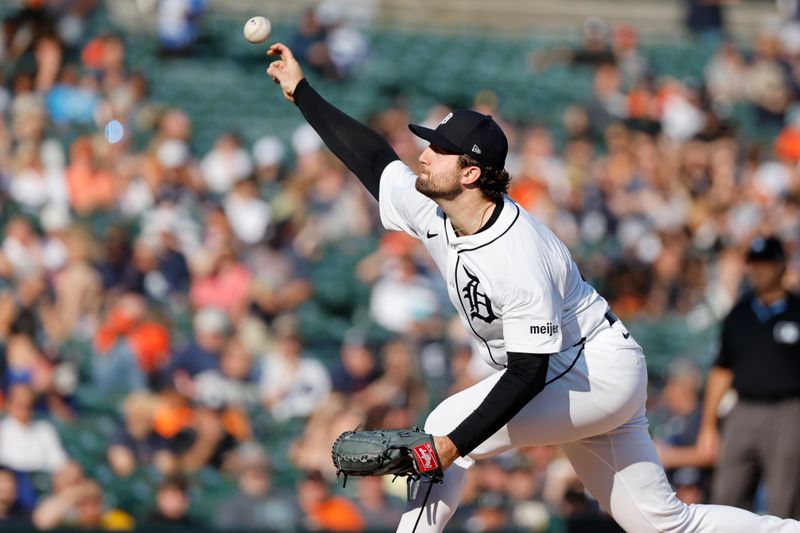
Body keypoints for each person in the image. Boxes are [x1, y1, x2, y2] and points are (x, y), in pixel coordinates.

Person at [265, 42, 800, 532]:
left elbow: (528, 372)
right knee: (663, 525)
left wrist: (450, 448)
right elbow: (372, 159)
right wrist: (302, 92)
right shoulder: (436, 207)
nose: (423, 155)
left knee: (446, 424)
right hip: (569, 369)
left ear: (471, 173)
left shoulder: (519, 253)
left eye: (438, 149)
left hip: (594, 370)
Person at [698, 236, 800, 519]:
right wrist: (708, 425)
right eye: (753, 264)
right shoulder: (739, 314)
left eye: (765, 263)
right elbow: (721, 370)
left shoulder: (797, 310)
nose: (758, 270)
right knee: (727, 497)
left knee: (785, 501)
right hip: (743, 411)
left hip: (789, 412)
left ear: (782, 266)